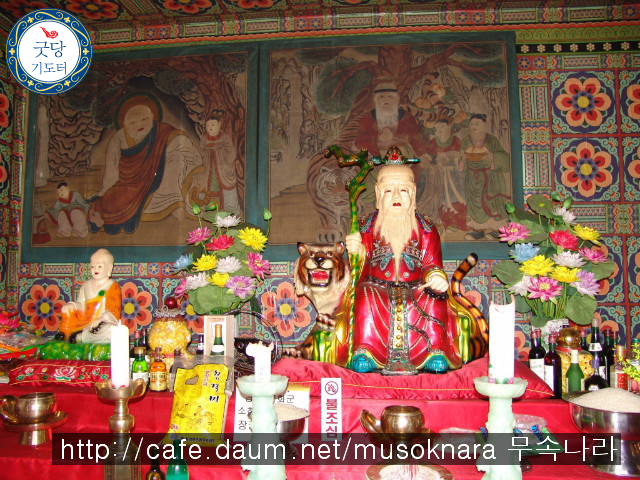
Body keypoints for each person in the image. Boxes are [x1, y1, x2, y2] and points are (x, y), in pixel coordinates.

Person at [344, 162, 462, 374]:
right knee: (364, 297)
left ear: (413, 194)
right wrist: (357, 252)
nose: (397, 196)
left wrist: (436, 276)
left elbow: (431, 263)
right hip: (376, 287)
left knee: (435, 298)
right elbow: (359, 269)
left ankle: (433, 351)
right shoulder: (366, 226)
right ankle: (366, 351)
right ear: (378, 194)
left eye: (404, 190)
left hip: (417, 287)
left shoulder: (426, 228)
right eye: (389, 191)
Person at [89, 93, 204, 234]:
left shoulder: (161, 131)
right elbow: (111, 169)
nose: (139, 124)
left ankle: (174, 204)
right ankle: (102, 218)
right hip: (127, 184)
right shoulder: (119, 137)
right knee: (111, 204)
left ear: (152, 118)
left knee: (175, 161)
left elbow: (180, 141)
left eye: (144, 119)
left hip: (157, 180)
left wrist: (196, 171)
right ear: (124, 124)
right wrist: (105, 192)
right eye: (133, 122)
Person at [353, 80, 443, 222]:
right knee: (366, 173)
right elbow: (362, 141)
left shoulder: (406, 117)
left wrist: (423, 155)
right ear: (376, 100)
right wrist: (378, 149)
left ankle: (415, 211)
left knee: (427, 172)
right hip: (377, 160)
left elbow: (416, 140)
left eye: (389, 97)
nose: (386, 100)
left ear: (396, 99)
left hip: (405, 161)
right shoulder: (368, 118)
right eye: (382, 97)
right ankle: (372, 211)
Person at [458, 113, 510, 236]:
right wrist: (463, 158)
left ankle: (494, 230)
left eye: (477, 124)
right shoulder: (466, 141)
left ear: (484, 125)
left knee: (492, 204)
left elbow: (505, 158)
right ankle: (477, 231)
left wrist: (492, 157)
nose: (474, 127)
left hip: (492, 178)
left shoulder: (492, 140)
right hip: (473, 179)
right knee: (475, 206)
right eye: (471, 124)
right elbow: (461, 164)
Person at [57, 248, 122, 343]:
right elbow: (81, 305)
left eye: (99, 266)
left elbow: (114, 311)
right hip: (83, 321)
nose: (95, 269)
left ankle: (80, 337)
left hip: (102, 324)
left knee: (112, 331)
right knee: (68, 310)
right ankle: (66, 334)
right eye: (92, 266)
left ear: (109, 268)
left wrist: (101, 319)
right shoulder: (86, 285)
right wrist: (73, 305)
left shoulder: (113, 286)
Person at [199, 111, 241, 216]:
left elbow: (231, 152)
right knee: (203, 185)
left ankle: (229, 209)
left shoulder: (225, 138)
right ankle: (205, 209)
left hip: (223, 170)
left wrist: (222, 159)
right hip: (208, 170)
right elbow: (200, 154)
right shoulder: (204, 140)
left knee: (227, 187)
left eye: (213, 125)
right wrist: (209, 154)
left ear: (219, 125)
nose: (210, 127)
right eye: (208, 125)